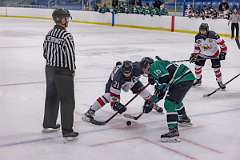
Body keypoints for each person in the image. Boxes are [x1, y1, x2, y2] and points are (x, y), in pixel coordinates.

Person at [82, 58, 163, 123]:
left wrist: (152, 75)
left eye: (128, 73)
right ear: (122, 71)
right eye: (125, 73)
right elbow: (114, 101)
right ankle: (90, 111)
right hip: (116, 82)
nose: (126, 74)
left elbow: (147, 68)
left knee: (145, 92)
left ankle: (152, 104)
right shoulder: (117, 78)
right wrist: (116, 106)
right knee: (107, 96)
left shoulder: (138, 67)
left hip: (132, 81)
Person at [42, 8, 78, 140]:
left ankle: (49, 123)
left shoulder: (49, 34)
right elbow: (69, 56)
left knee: (51, 97)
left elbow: (45, 52)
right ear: (60, 19)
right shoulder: (66, 36)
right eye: (66, 18)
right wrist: (71, 70)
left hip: (50, 69)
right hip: (63, 72)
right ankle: (67, 131)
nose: (67, 20)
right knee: (68, 101)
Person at [144, 57, 195, 142]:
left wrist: (160, 84)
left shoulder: (154, 65)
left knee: (169, 103)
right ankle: (183, 118)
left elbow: (165, 78)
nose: (144, 72)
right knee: (175, 100)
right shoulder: (156, 73)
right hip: (184, 77)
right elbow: (159, 94)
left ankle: (173, 131)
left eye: (144, 68)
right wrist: (151, 102)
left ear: (147, 65)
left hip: (182, 78)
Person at [190, 23, 227, 89]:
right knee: (197, 67)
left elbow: (222, 44)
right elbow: (197, 47)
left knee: (216, 69)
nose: (202, 32)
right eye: (201, 30)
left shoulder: (213, 35)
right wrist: (194, 55)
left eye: (204, 30)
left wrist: (223, 53)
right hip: (202, 54)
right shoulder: (197, 37)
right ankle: (198, 79)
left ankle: (220, 82)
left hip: (214, 54)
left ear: (207, 30)